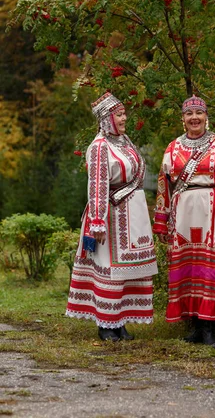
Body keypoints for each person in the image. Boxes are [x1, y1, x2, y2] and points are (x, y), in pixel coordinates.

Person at [153, 95, 215, 348]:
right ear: (182, 119)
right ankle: (194, 326)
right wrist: (161, 221)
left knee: (210, 270)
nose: (194, 118)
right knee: (189, 268)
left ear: (206, 117)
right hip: (182, 215)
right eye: (189, 114)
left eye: (199, 113)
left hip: (213, 212)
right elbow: (164, 186)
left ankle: (209, 329)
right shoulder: (173, 148)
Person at [66, 92, 158, 342]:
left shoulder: (125, 142)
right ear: (106, 118)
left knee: (128, 269)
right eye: (119, 114)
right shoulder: (99, 147)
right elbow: (96, 184)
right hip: (110, 216)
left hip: (132, 215)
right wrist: (97, 220)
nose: (124, 117)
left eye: (124, 113)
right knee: (109, 268)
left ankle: (120, 321)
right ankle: (106, 323)